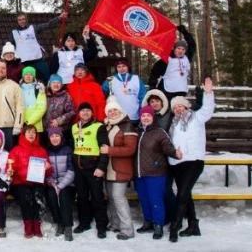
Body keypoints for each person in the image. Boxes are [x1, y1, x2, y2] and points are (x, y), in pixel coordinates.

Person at [168, 77, 214, 243]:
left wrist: (208, 94)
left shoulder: (195, 118)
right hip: (177, 164)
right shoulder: (173, 124)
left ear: (186, 106)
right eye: (175, 107)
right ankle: (193, 225)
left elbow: (207, 110)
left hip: (193, 161)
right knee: (186, 195)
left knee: (182, 195)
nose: (178, 109)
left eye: (180, 105)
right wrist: (173, 153)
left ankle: (175, 226)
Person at [135, 105, 181, 240]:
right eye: (143, 116)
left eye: (148, 115)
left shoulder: (159, 132)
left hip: (155, 172)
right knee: (144, 199)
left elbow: (167, 146)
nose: (145, 118)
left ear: (153, 117)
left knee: (156, 200)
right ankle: (148, 221)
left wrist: (174, 153)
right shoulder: (136, 132)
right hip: (139, 173)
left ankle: (158, 224)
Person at [100, 96, 138, 240]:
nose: (113, 112)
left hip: (120, 169)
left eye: (115, 110)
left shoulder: (127, 126)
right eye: (110, 111)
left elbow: (130, 149)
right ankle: (115, 223)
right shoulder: (107, 126)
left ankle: (127, 229)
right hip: (108, 169)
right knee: (111, 198)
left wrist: (110, 150)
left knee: (118, 198)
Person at [7, 125, 52, 239]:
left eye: (33, 132)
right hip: (20, 182)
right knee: (25, 197)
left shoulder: (42, 151)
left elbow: (48, 173)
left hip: (37, 182)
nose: (31, 134)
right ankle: (28, 225)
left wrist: (48, 168)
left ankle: (37, 225)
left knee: (38, 198)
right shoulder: (16, 150)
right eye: (28, 132)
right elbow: (11, 167)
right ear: (23, 134)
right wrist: (10, 170)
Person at [71, 102, 109, 239]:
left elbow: (104, 148)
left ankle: (101, 226)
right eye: (82, 111)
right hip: (79, 169)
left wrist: (101, 167)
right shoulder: (75, 127)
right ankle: (84, 223)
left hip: (93, 168)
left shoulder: (98, 126)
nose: (85, 113)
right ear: (79, 113)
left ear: (91, 112)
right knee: (81, 198)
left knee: (97, 198)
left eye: (88, 110)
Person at [141, 88, 176, 222]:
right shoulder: (145, 118)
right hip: (153, 158)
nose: (154, 104)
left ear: (162, 102)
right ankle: (160, 218)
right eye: (151, 102)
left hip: (167, 155)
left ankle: (172, 217)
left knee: (166, 190)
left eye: (157, 101)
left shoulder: (169, 115)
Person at [9, 12, 65, 82]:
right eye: (19, 20)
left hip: (37, 59)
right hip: (23, 62)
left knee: (47, 75)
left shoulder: (33, 28)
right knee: (25, 80)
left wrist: (58, 18)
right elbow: (10, 46)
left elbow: (47, 25)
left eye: (23, 19)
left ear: (26, 20)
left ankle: (49, 91)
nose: (22, 21)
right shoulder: (13, 32)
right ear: (17, 21)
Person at [149, 25, 196, 102]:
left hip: (181, 91)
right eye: (178, 48)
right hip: (167, 91)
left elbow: (192, 45)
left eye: (183, 49)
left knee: (178, 112)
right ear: (174, 49)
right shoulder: (166, 59)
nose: (180, 51)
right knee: (166, 111)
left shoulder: (187, 57)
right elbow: (154, 72)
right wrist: (152, 86)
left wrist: (185, 33)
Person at [44, 127, 75, 241]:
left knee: (64, 196)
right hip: (53, 183)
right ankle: (59, 223)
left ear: (61, 137)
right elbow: (45, 171)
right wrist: (51, 182)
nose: (54, 138)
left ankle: (68, 226)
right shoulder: (47, 151)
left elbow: (72, 170)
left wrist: (61, 185)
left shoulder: (68, 149)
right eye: (52, 136)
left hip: (66, 182)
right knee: (51, 196)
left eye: (57, 136)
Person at [101, 57, 147, 125]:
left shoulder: (136, 79)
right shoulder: (111, 80)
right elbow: (102, 92)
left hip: (134, 116)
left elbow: (143, 96)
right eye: (119, 67)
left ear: (128, 66)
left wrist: (141, 111)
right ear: (116, 68)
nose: (121, 69)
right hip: (118, 117)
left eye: (124, 66)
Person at [43, 74, 76, 147]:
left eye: (58, 82)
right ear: (50, 84)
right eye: (53, 82)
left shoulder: (66, 96)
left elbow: (72, 111)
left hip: (60, 132)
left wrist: (59, 121)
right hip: (46, 131)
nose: (56, 84)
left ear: (61, 84)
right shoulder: (44, 94)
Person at [19, 67, 47, 138]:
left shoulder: (39, 88)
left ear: (34, 76)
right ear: (23, 76)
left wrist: (29, 122)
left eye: (31, 74)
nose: (28, 76)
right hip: (21, 126)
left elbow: (41, 108)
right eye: (26, 74)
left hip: (35, 127)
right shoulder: (17, 89)